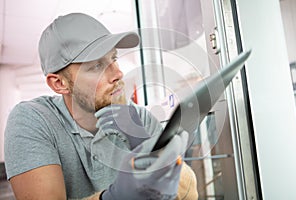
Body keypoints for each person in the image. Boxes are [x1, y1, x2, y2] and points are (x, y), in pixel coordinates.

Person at [4, 13, 198, 199]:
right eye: (96, 66)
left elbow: (189, 194)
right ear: (59, 83)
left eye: (113, 58)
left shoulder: (137, 117)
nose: (118, 74)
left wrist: (144, 143)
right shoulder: (33, 119)